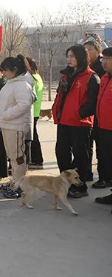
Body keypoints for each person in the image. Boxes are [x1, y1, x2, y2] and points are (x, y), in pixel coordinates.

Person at [52, 45, 100, 198]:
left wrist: (79, 113)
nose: (69, 59)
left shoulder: (91, 77)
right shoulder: (65, 76)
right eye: (68, 56)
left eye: (72, 56)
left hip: (80, 123)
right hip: (64, 121)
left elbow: (93, 103)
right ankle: (65, 182)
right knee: (61, 152)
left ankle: (80, 187)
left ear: (81, 57)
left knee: (80, 155)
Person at [0, 55, 36, 199]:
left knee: (17, 157)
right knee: (13, 157)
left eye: (5, 70)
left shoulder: (22, 85)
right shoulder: (12, 82)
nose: (3, 73)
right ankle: (15, 180)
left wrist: (6, 115)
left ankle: (20, 184)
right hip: (8, 125)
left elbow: (24, 104)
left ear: (14, 70)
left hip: (15, 126)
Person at [94, 47, 112, 207]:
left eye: (108, 59)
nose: (104, 62)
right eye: (103, 59)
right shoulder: (105, 77)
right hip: (104, 127)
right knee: (107, 161)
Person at [84, 40, 104, 184]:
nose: (87, 52)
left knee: (101, 147)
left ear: (98, 51)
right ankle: (87, 173)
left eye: (90, 49)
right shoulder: (83, 67)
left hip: (99, 114)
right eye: (85, 49)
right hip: (87, 113)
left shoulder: (102, 68)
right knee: (86, 145)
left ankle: (104, 176)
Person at [26, 58, 44, 169]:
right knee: (34, 136)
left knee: (33, 137)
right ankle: (36, 160)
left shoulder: (32, 78)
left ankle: (37, 160)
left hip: (32, 111)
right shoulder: (37, 76)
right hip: (35, 111)